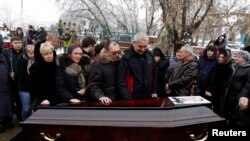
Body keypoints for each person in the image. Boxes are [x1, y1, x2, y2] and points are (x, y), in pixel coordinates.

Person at [118, 32, 157, 99]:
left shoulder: (150, 55)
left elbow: (154, 75)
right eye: (140, 46)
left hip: (148, 96)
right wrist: (128, 98)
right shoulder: (126, 58)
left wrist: (154, 91)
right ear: (133, 43)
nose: (143, 49)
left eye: (145, 46)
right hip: (133, 97)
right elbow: (121, 82)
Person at [224, 51, 250, 129]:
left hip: (237, 97)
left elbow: (248, 85)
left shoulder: (248, 69)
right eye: (237, 56)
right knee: (226, 113)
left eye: (239, 57)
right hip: (228, 94)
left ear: (244, 59)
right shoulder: (234, 66)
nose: (236, 58)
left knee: (234, 117)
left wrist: (242, 96)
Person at [204, 49, 234, 116]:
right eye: (219, 57)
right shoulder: (216, 65)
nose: (220, 59)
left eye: (223, 57)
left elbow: (224, 84)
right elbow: (209, 79)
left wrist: (212, 92)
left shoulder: (229, 69)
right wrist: (206, 89)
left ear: (227, 58)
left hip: (218, 95)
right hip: (208, 92)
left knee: (216, 113)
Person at [29, 41, 58, 111]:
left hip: (57, 99)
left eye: (50, 53)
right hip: (43, 101)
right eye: (46, 54)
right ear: (41, 55)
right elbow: (36, 87)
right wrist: (43, 98)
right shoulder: (35, 68)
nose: (49, 56)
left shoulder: (56, 65)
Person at [2, 36, 24, 121]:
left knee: (19, 100)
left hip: (20, 80)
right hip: (8, 80)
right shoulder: (6, 52)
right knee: (9, 99)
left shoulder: (25, 52)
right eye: (16, 43)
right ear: (11, 43)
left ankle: (20, 118)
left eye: (19, 43)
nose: (18, 45)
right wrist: (8, 71)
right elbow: (4, 64)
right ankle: (7, 118)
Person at [15, 45, 35, 121]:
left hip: (34, 88)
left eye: (34, 52)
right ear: (26, 53)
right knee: (26, 108)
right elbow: (22, 77)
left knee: (32, 108)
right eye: (30, 53)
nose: (33, 55)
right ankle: (25, 123)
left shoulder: (36, 60)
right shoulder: (20, 61)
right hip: (24, 89)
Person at [0, 49, 15, 132]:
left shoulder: (2, 56)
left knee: (7, 104)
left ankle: (6, 121)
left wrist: (10, 73)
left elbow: (7, 67)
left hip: (6, 85)